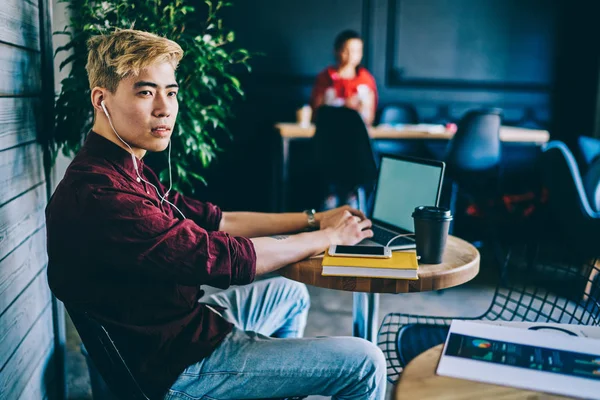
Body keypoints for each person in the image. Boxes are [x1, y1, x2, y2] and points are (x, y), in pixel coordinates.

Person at [46, 29, 387, 400]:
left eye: (171, 92)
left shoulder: (126, 169)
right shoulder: (103, 195)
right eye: (146, 92)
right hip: (177, 368)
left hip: (183, 326)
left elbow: (218, 220)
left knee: (289, 294)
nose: (165, 108)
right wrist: (328, 238)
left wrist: (314, 219)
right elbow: (223, 258)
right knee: (365, 362)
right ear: (102, 99)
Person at [310, 30, 378, 126]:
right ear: (336, 51)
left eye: (356, 51)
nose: (351, 55)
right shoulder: (325, 78)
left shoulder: (366, 79)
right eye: (346, 50)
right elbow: (316, 114)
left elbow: (369, 119)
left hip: (356, 133)